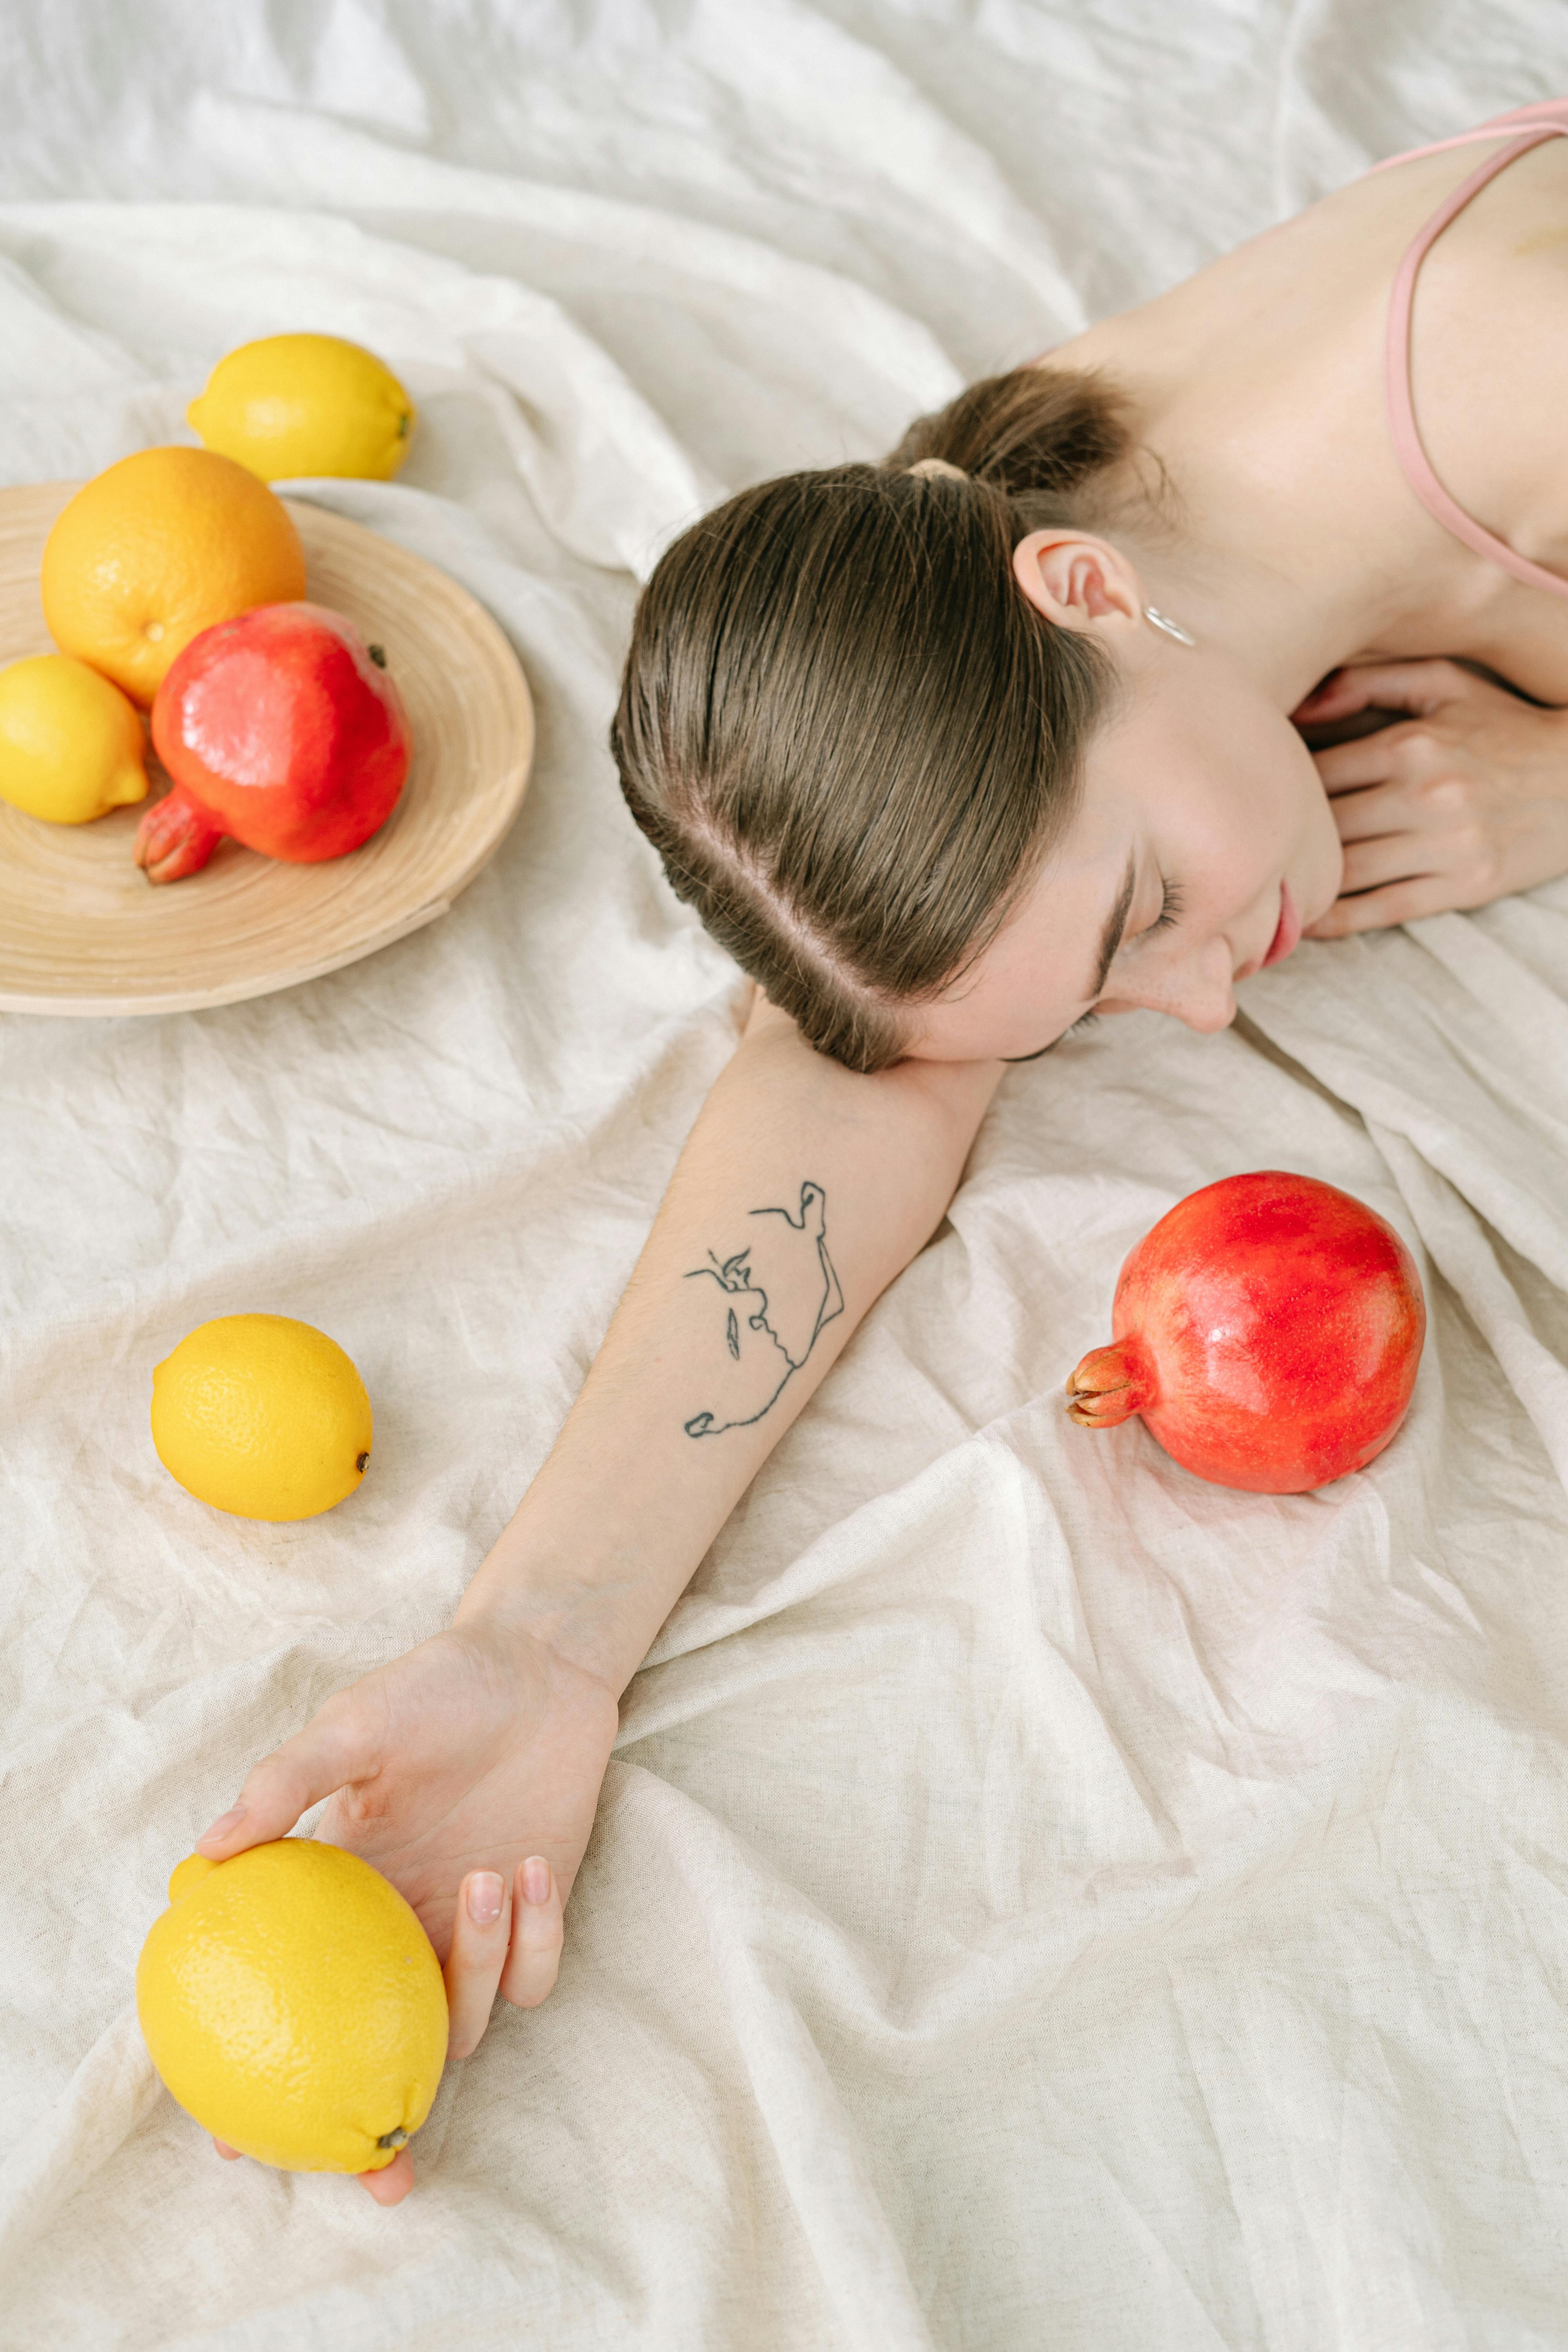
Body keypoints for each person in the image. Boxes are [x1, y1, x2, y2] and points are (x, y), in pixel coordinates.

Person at [195, 102, 1568, 2201]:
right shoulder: (991, 562)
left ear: (1084, 595)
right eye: (1098, 996)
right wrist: (538, 1644)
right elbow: (855, 1084)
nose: (1204, 1002)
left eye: (1142, 911)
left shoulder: (1525, 374)